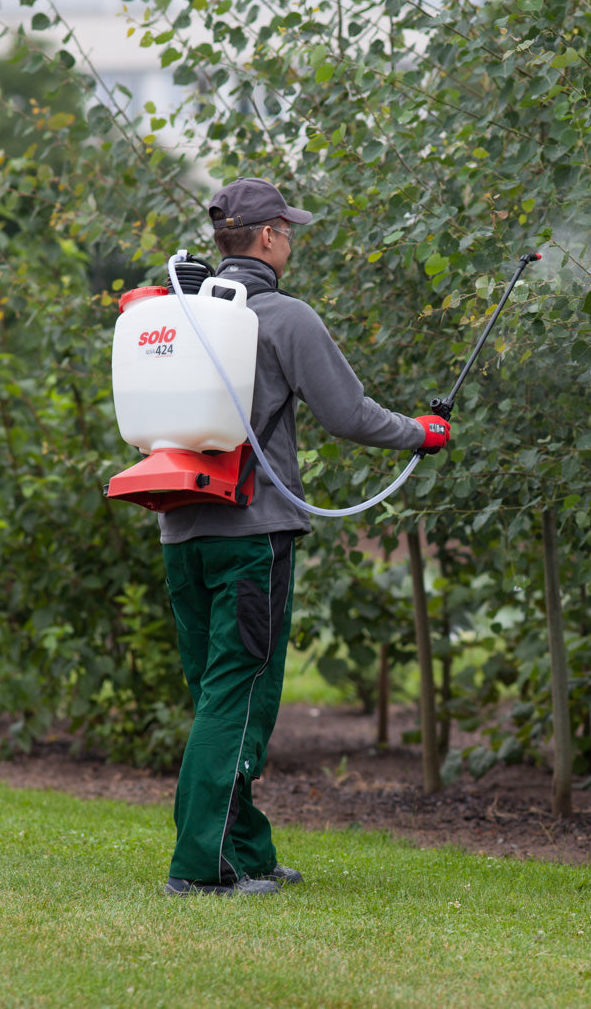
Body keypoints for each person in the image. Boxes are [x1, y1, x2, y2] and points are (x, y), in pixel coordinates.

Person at [160, 177, 450, 897]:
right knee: (239, 698)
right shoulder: (283, 317)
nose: (292, 241)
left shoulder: (180, 312)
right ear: (266, 238)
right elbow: (347, 413)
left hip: (179, 530)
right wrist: (421, 432)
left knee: (218, 694)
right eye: (289, 230)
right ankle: (202, 869)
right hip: (252, 536)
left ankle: (246, 849)